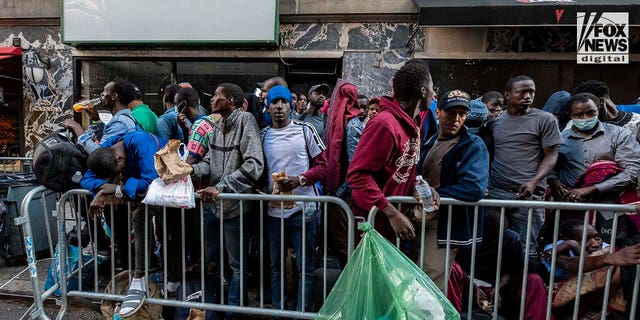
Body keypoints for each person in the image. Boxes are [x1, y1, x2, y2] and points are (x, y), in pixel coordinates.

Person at [190, 83, 264, 317]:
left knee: (237, 265)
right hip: (213, 206)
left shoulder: (246, 121)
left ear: (230, 99)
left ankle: (233, 312)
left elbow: (254, 165)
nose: (212, 100)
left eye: (216, 96)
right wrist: (188, 171)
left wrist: (221, 187)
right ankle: (216, 309)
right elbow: (209, 162)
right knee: (212, 260)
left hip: (235, 207)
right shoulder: (216, 126)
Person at [347, 59, 438, 242]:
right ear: (423, 91)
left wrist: (418, 187)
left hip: (391, 221)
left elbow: (403, 169)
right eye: (432, 88)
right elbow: (357, 175)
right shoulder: (384, 124)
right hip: (372, 221)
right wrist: (391, 213)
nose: (434, 94)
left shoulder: (414, 124)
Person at [80, 130, 167, 318]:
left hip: (168, 189)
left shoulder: (140, 142)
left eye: (119, 173)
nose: (120, 175)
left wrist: (109, 191)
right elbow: (86, 180)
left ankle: (159, 278)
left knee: (165, 230)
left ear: (119, 158)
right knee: (139, 218)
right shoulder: (107, 149)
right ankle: (141, 277)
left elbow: (151, 181)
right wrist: (115, 189)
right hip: (143, 195)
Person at [414, 89, 489, 291]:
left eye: (461, 114)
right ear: (438, 113)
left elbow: (474, 187)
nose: (456, 119)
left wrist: (438, 194)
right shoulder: (429, 141)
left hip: (444, 225)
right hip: (420, 219)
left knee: (430, 283)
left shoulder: (473, 145)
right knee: (413, 279)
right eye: (450, 112)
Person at [261, 85, 327, 312]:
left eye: (284, 102)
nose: (279, 107)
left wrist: (298, 180)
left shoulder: (305, 129)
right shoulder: (263, 135)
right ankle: (279, 310)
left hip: (304, 209)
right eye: (274, 102)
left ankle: (301, 311)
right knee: (276, 265)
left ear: (291, 106)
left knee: (305, 266)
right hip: (273, 212)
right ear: (268, 107)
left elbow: (323, 167)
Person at [548, 93, 640, 244]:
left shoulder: (618, 134)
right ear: (570, 116)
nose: (585, 118)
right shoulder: (560, 140)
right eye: (579, 115)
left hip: (610, 205)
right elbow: (551, 168)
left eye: (590, 113)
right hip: (572, 207)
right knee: (573, 250)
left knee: (610, 247)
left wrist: (593, 188)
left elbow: (632, 172)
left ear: (598, 109)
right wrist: (554, 182)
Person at [486, 75, 563, 256]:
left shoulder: (545, 119)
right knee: (494, 246)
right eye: (522, 92)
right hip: (497, 193)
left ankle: (526, 284)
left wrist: (534, 181)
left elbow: (551, 156)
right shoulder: (495, 122)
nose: (528, 96)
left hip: (527, 196)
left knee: (525, 249)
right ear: (508, 95)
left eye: (531, 92)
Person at [542, 219, 640, 319]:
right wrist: (572, 246)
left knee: (614, 271)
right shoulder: (556, 247)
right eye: (585, 239)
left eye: (597, 237)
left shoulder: (606, 247)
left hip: (600, 300)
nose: (595, 244)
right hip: (565, 298)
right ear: (566, 239)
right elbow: (573, 265)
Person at [322, 79, 363, 266]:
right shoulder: (338, 122)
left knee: (345, 245)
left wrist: (338, 194)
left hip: (344, 195)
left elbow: (354, 166)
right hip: (337, 193)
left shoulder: (352, 124)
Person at [63, 80, 138, 154]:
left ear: (114, 96)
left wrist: (76, 127)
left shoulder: (121, 122)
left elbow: (98, 153)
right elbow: (107, 142)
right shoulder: (121, 119)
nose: (101, 94)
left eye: (105, 91)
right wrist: (96, 121)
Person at [573, 80, 640, 143]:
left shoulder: (636, 122)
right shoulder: (576, 124)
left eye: (588, 111)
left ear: (601, 102)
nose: (584, 117)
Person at [174, 86, 219, 165]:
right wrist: (185, 130)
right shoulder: (208, 120)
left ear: (183, 104)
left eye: (176, 104)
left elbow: (190, 160)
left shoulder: (200, 125)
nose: (175, 108)